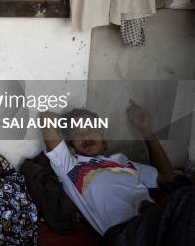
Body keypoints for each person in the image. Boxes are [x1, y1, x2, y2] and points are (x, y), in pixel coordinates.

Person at [40, 100, 195, 246]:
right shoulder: (70, 166)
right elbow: (46, 118)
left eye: (90, 128)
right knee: (186, 197)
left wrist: (146, 130)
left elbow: (167, 176)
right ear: (71, 143)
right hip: (127, 234)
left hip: (159, 221)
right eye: (77, 133)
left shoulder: (122, 161)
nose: (86, 136)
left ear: (102, 134)